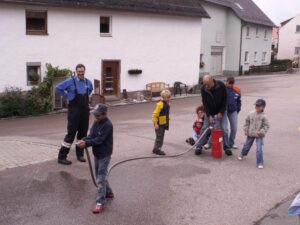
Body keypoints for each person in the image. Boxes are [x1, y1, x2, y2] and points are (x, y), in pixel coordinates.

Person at [77, 103, 114, 214]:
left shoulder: (108, 125)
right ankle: (109, 192)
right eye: (95, 115)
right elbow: (92, 135)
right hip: (97, 153)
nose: (96, 117)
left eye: (98, 115)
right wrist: (84, 139)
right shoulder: (96, 122)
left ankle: (100, 202)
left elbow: (99, 140)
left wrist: (87, 143)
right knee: (100, 175)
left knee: (100, 177)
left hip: (104, 154)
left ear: (105, 114)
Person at [56, 64, 93, 165]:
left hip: (85, 112)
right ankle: (62, 156)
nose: (81, 73)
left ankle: (80, 155)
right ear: (76, 71)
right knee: (70, 135)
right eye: (79, 71)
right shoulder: (70, 81)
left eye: (82, 71)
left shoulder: (88, 82)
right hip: (74, 112)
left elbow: (90, 91)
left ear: (85, 71)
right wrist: (68, 96)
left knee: (82, 135)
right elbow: (58, 88)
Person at [195, 74, 232, 156]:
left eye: (207, 84)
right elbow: (205, 104)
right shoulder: (203, 88)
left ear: (212, 80)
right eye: (205, 84)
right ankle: (199, 146)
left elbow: (225, 100)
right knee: (205, 128)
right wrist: (209, 116)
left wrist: (221, 112)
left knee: (225, 129)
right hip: (210, 111)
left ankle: (227, 147)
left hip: (221, 110)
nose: (206, 86)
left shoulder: (221, 85)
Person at [238, 99, 270, 169]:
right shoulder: (251, 113)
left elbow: (266, 126)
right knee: (247, 146)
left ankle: (260, 162)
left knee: (259, 149)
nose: (257, 107)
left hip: (259, 135)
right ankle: (242, 154)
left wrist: (261, 131)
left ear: (263, 107)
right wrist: (246, 130)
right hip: (251, 133)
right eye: (256, 105)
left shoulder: (264, 116)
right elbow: (247, 122)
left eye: (259, 106)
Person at [152, 89, 171, 155]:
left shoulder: (167, 103)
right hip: (159, 124)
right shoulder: (160, 104)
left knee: (160, 136)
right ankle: (157, 149)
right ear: (162, 97)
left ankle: (156, 148)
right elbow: (155, 114)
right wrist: (155, 123)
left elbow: (165, 113)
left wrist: (167, 118)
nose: (166, 99)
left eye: (167, 98)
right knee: (159, 137)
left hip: (163, 123)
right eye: (164, 98)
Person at [226, 76, 241, 149]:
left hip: (233, 111)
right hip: (224, 111)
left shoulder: (237, 90)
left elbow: (239, 100)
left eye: (232, 84)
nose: (230, 85)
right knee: (223, 128)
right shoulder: (223, 89)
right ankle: (224, 143)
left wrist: (238, 109)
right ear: (226, 82)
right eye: (229, 83)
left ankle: (231, 143)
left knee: (234, 128)